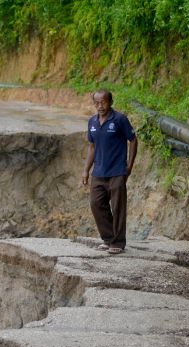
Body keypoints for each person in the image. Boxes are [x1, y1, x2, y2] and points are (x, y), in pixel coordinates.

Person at [81, 89, 138, 254]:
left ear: (110, 102)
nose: (100, 106)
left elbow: (133, 141)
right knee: (96, 203)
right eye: (96, 103)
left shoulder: (120, 119)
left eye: (103, 102)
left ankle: (118, 243)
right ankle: (108, 238)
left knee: (118, 206)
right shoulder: (92, 122)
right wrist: (86, 170)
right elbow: (92, 147)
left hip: (117, 171)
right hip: (98, 172)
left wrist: (129, 166)